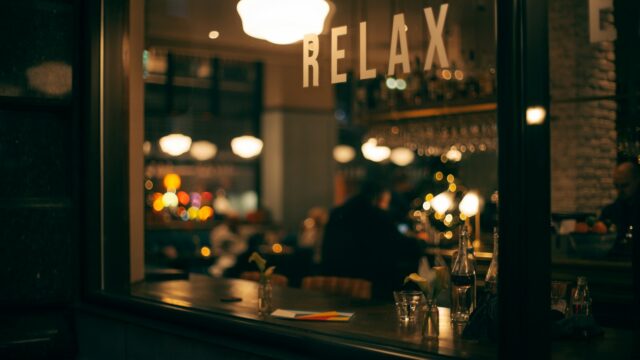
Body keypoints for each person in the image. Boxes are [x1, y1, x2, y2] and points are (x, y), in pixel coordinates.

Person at [321, 180, 423, 300]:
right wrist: (419, 242)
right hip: (368, 285)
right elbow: (401, 245)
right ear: (380, 195)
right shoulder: (376, 215)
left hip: (334, 281)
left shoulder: (338, 212)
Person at [600, 161, 640, 250]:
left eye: (624, 185)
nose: (619, 191)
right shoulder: (609, 212)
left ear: (637, 181)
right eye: (616, 186)